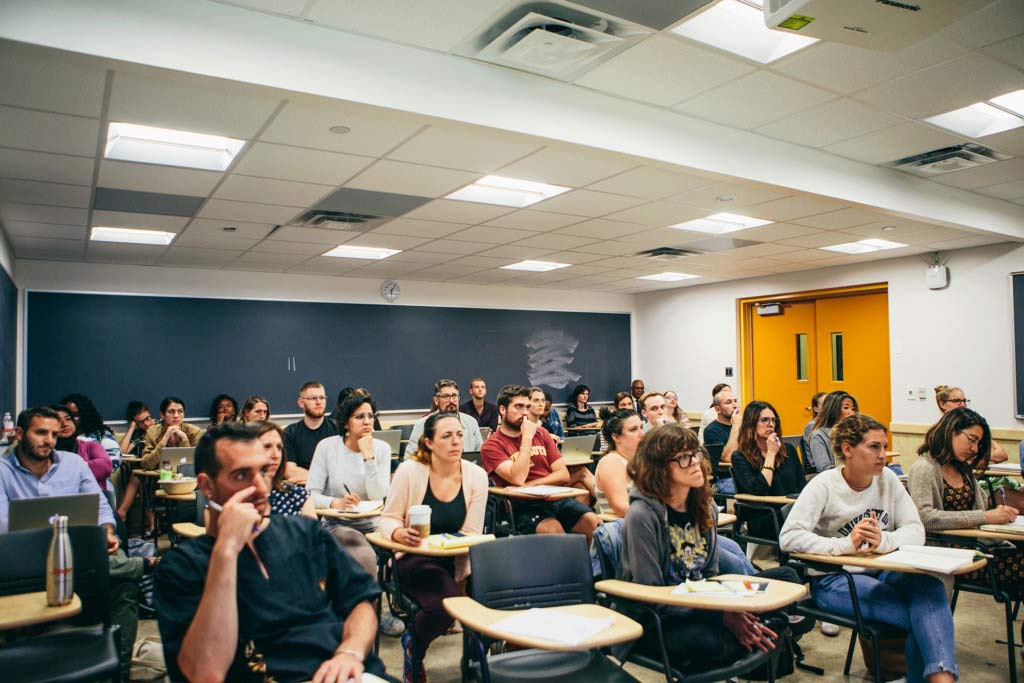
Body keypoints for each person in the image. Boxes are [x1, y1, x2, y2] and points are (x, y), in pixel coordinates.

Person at [153, 422, 393, 683]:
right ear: (207, 486)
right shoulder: (181, 567)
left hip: (347, 671)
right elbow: (204, 673)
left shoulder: (305, 533)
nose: (260, 487)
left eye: (264, 472)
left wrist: (350, 652)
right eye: (242, 476)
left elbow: (360, 602)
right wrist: (226, 551)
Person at [780, 414, 958, 683]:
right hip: (835, 580)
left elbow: (915, 529)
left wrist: (883, 541)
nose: (882, 455)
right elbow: (789, 537)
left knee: (930, 589)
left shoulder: (887, 478)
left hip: (883, 570)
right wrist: (845, 545)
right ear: (848, 450)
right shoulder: (824, 485)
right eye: (874, 447)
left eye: (884, 447)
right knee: (921, 618)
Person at [617, 423, 800, 673]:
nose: (694, 462)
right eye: (682, 457)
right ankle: (763, 637)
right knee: (707, 639)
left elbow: (713, 576)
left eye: (695, 453)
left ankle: (754, 637)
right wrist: (722, 615)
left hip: (704, 600)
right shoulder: (643, 515)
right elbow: (653, 594)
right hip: (659, 617)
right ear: (658, 467)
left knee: (786, 578)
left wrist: (730, 608)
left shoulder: (705, 505)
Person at [2, 407, 150, 683]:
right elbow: (2, 525)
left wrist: (106, 530)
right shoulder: (2, 471)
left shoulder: (73, 463)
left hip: (79, 555)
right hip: (24, 564)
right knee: (121, 570)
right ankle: (141, 565)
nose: (49, 440)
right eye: (41, 432)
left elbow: (101, 507)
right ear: (20, 433)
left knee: (124, 589)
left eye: (54, 435)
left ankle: (118, 674)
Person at [379, 412, 488, 683]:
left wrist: (462, 576)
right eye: (447, 436)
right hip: (415, 557)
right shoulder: (409, 472)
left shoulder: (476, 475)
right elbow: (388, 518)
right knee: (444, 608)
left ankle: (478, 661)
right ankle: (414, 648)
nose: (456, 442)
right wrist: (397, 532)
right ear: (428, 442)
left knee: (495, 600)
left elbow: (472, 533)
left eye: (460, 435)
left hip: (458, 557)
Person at [908, 407, 1021, 590]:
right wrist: (985, 517)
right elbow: (924, 518)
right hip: (950, 553)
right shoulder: (924, 468)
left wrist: (1000, 513)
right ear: (951, 431)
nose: (975, 449)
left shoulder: (963, 468)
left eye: (978, 443)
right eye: (972, 440)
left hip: (975, 546)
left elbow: (982, 508)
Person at [482, 385, 599, 542]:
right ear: (502, 410)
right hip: (523, 506)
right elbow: (517, 478)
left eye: (526, 407)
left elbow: (563, 474)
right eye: (518, 406)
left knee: (592, 522)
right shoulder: (492, 445)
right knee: (553, 530)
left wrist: (531, 485)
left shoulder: (542, 434)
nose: (524, 412)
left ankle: (583, 565)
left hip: (554, 498)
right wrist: (527, 438)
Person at [307, 392, 391, 576]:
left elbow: (379, 495)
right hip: (339, 524)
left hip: (373, 524)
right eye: (359, 417)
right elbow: (310, 495)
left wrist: (368, 457)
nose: (367, 422)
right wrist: (334, 503)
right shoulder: (327, 447)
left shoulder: (382, 449)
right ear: (346, 423)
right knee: (362, 555)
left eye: (370, 416)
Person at [730, 401, 805, 544]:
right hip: (765, 515)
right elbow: (760, 489)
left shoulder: (788, 450)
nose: (770, 424)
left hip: (793, 512)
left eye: (773, 420)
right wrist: (771, 454)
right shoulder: (740, 457)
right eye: (764, 420)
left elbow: (802, 486)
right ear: (751, 423)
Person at [532, 386, 595, 503]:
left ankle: (589, 518)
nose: (543, 408)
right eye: (537, 401)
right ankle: (610, 502)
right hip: (542, 480)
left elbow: (561, 435)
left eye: (547, 408)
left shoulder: (552, 416)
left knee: (582, 489)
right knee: (582, 472)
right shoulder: (529, 428)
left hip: (556, 461)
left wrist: (559, 441)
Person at [256, 421, 316, 519]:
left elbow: (314, 533)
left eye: (279, 447)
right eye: (266, 447)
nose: (275, 455)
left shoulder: (297, 496)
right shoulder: (236, 499)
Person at [935, 385, 1008, 463]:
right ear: (942, 404)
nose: (963, 405)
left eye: (964, 401)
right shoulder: (938, 432)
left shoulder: (971, 425)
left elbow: (1002, 454)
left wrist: (976, 459)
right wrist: (981, 459)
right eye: (957, 401)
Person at [407, 380, 482, 456]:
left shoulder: (471, 422)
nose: (451, 401)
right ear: (436, 400)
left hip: (466, 467)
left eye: (454, 396)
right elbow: (410, 457)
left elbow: (480, 455)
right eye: (446, 396)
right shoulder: (422, 424)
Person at [282, 381, 337, 477]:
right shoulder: (289, 433)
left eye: (322, 398)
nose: (319, 402)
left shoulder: (338, 430)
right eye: (313, 398)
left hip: (334, 488)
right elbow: (289, 471)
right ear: (301, 403)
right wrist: (320, 479)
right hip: (304, 488)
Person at [52, 403, 112, 491]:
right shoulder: (46, 450)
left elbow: (105, 466)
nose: (65, 424)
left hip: (91, 499)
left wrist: (62, 471)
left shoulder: (91, 446)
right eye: (58, 421)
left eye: (68, 419)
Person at [62, 392, 122, 472]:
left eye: (75, 415)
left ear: (85, 415)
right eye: (67, 416)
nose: (71, 419)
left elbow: (112, 464)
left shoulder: (102, 435)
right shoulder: (59, 437)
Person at [140, 396, 204, 470]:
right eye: (171, 412)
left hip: (187, 479)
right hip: (159, 478)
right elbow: (147, 464)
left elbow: (196, 465)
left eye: (180, 411)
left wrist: (184, 439)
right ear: (162, 415)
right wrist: (164, 440)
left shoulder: (195, 432)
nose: (176, 416)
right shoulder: (152, 432)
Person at [700, 386, 741, 494]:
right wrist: (736, 426)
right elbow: (728, 458)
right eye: (729, 402)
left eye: (735, 401)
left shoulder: (744, 426)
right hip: (726, 478)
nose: (735, 405)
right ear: (717, 409)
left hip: (746, 471)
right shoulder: (711, 431)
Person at [807, 391, 858, 473]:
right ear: (833, 410)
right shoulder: (819, 435)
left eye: (853, 409)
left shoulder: (856, 432)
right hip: (836, 480)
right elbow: (824, 468)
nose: (851, 412)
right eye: (846, 408)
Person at [801, 391, 826, 462]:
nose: (829, 407)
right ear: (816, 409)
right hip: (817, 466)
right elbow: (818, 458)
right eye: (825, 404)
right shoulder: (812, 426)